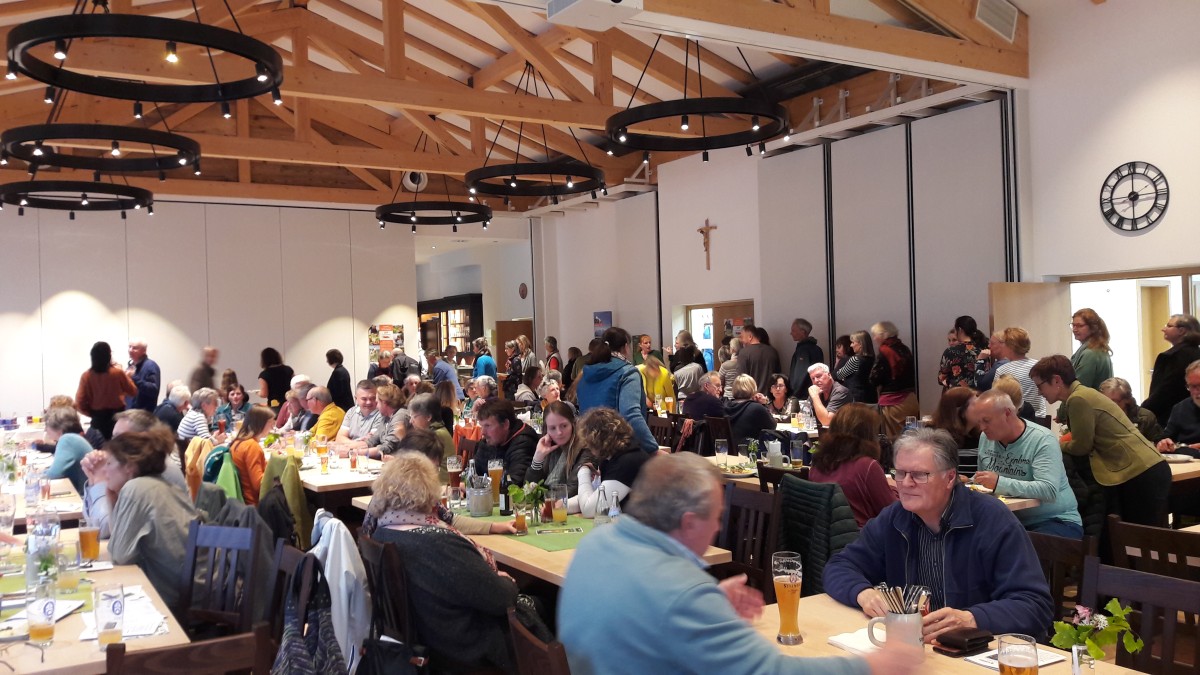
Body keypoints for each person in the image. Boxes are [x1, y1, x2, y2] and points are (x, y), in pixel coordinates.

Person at [560, 452, 922, 675]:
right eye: (716, 517)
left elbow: (647, 617)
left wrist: (707, 605)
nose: (719, 527)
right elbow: (770, 672)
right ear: (688, 522)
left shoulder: (596, 544)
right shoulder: (681, 592)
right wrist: (872, 666)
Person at [824, 428, 1054, 642]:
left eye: (919, 475)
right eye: (900, 473)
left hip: (979, 652)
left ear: (950, 478)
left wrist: (972, 618)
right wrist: (862, 593)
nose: (905, 483)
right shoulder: (895, 518)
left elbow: (1035, 605)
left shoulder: (992, 520)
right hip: (918, 649)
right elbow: (840, 566)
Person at [365, 453, 550, 673]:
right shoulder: (437, 543)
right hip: (462, 647)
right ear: (428, 491)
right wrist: (505, 580)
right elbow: (500, 599)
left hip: (427, 637)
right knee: (547, 599)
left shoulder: (382, 531)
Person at [1031, 355, 1171, 526]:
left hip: (1141, 472)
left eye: (1040, 386)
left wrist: (1055, 445)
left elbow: (1081, 446)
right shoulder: (1084, 394)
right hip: (1146, 468)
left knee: (1142, 540)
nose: (1039, 392)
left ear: (1056, 380)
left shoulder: (1078, 399)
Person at [106, 429, 199, 613]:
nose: (105, 469)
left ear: (129, 466)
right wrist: (110, 496)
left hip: (177, 600)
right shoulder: (163, 485)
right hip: (198, 588)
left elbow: (120, 557)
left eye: (109, 463)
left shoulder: (136, 489)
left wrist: (108, 494)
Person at [969, 391, 1083, 538]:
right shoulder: (986, 437)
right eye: (979, 422)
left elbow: (1048, 490)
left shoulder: (1042, 439)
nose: (982, 428)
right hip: (1009, 520)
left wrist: (999, 483)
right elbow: (987, 483)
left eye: (986, 420)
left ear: (1007, 413)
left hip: (1054, 521)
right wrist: (973, 481)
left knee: (1014, 549)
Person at [808, 403, 896, 527]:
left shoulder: (817, 464)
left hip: (825, 539)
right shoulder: (867, 466)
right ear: (868, 434)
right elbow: (893, 512)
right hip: (863, 540)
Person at [576, 327, 658, 454]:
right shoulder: (628, 373)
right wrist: (653, 448)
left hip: (590, 449)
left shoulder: (586, 374)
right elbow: (631, 415)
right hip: (619, 450)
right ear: (626, 347)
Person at [574, 407, 651, 517]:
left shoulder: (627, 462)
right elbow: (593, 498)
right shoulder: (615, 457)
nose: (589, 449)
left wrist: (582, 471)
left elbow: (590, 510)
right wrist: (560, 504)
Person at [1143, 314, 1200, 426]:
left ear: (1182, 331)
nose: (1163, 329)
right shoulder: (1196, 353)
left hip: (1168, 418)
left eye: (1169, 326)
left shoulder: (1173, 356)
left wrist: (1144, 409)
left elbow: (1165, 391)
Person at [526, 401, 590, 500]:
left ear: (573, 423)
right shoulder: (547, 447)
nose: (559, 432)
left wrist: (540, 496)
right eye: (552, 428)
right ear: (546, 429)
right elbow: (528, 492)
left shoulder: (585, 448)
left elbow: (572, 491)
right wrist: (537, 459)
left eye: (564, 426)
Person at [76, 341, 137, 439]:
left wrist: (91, 413)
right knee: (118, 447)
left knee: (98, 447)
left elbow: (79, 402)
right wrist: (126, 377)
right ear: (109, 356)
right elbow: (133, 391)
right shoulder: (118, 373)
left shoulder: (86, 376)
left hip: (98, 418)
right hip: (117, 416)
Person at [472, 399, 538, 484]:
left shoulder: (523, 442)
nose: (483, 432)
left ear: (506, 424)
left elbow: (514, 485)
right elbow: (473, 474)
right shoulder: (488, 441)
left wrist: (480, 484)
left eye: (487, 426)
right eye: (482, 426)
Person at [992, 327, 1048, 420]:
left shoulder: (1002, 370)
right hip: (1039, 417)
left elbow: (996, 397)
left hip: (1014, 419)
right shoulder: (1039, 366)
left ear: (1010, 347)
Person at [228, 405, 273, 505]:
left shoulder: (237, 442)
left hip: (243, 502)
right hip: (255, 505)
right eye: (270, 423)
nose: (272, 427)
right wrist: (276, 466)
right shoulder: (252, 446)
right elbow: (259, 485)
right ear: (261, 424)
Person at [42, 406, 92, 495]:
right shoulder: (72, 438)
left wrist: (33, 476)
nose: (45, 429)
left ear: (59, 429)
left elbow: (54, 474)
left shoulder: (67, 440)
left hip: (83, 497)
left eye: (47, 426)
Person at [1099, 377, 1164, 444]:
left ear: (1127, 400)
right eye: (1103, 401)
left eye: (1112, 402)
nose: (1106, 406)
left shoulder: (1145, 418)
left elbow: (1158, 443)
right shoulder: (1096, 417)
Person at [1156, 359, 1200, 457]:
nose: (1197, 392)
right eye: (1192, 386)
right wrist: (1164, 443)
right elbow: (1166, 437)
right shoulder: (1180, 408)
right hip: (1186, 463)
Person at [407, 393, 456, 474]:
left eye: (414, 416)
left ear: (428, 417)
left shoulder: (434, 436)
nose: (410, 421)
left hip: (442, 482)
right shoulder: (436, 431)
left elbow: (416, 464)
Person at [336, 379, 385, 452]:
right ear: (356, 399)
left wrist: (346, 445)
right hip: (351, 454)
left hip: (369, 457)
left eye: (372, 398)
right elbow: (339, 438)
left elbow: (369, 444)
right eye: (364, 399)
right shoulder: (351, 412)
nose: (368, 402)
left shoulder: (382, 414)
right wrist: (356, 444)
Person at [938, 315, 986, 390]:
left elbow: (941, 378)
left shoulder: (950, 351)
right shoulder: (981, 351)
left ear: (960, 330)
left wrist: (950, 383)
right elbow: (984, 376)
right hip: (975, 396)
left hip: (956, 395)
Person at [1070, 308, 1113, 389]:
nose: (1074, 329)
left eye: (1079, 326)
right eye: (1073, 325)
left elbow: (1079, 389)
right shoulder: (1097, 348)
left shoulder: (1090, 354)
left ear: (1092, 328)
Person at [725, 375, 775, 445]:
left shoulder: (725, 406)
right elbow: (772, 427)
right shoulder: (756, 408)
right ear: (753, 389)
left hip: (726, 451)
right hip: (749, 451)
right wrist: (764, 404)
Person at [737, 326, 781, 396]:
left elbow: (741, 379)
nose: (741, 340)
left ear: (750, 337)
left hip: (753, 397)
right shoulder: (773, 351)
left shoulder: (744, 353)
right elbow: (778, 375)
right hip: (771, 396)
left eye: (742, 337)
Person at [837, 330, 876, 404]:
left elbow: (839, 375)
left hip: (856, 397)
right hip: (871, 396)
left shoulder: (855, 359)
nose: (851, 345)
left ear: (861, 344)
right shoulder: (873, 359)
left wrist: (839, 361)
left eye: (853, 342)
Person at [789, 318, 825, 398]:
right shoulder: (817, 349)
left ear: (803, 332)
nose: (791, 333)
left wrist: (793, 394)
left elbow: (800, 375)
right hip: (815, 393)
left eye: (793, 330)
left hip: (802, 395)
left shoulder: (803, 350)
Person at [125, 340, 160, 412]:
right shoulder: (131, 366)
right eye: (130, 347)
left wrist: (134, 378)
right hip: (129, 412)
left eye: (135, 348)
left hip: (142, 415)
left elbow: (153, 390)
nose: (130, 350)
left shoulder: (151, 366)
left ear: (144, 351)